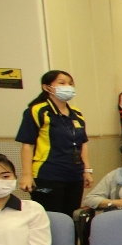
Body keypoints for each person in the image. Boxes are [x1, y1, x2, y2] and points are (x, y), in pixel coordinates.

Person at [16, 70, 91, 215]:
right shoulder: (37, 111)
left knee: (70, 217)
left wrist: (87, 170)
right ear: (47, 87)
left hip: (74, 174)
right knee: (51, 217)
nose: (67, 87)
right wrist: (26, 175)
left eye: (70, 84)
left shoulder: (76, 113)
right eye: (62, 83)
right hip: (48, 173)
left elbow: (83, 143)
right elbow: (27, 145)